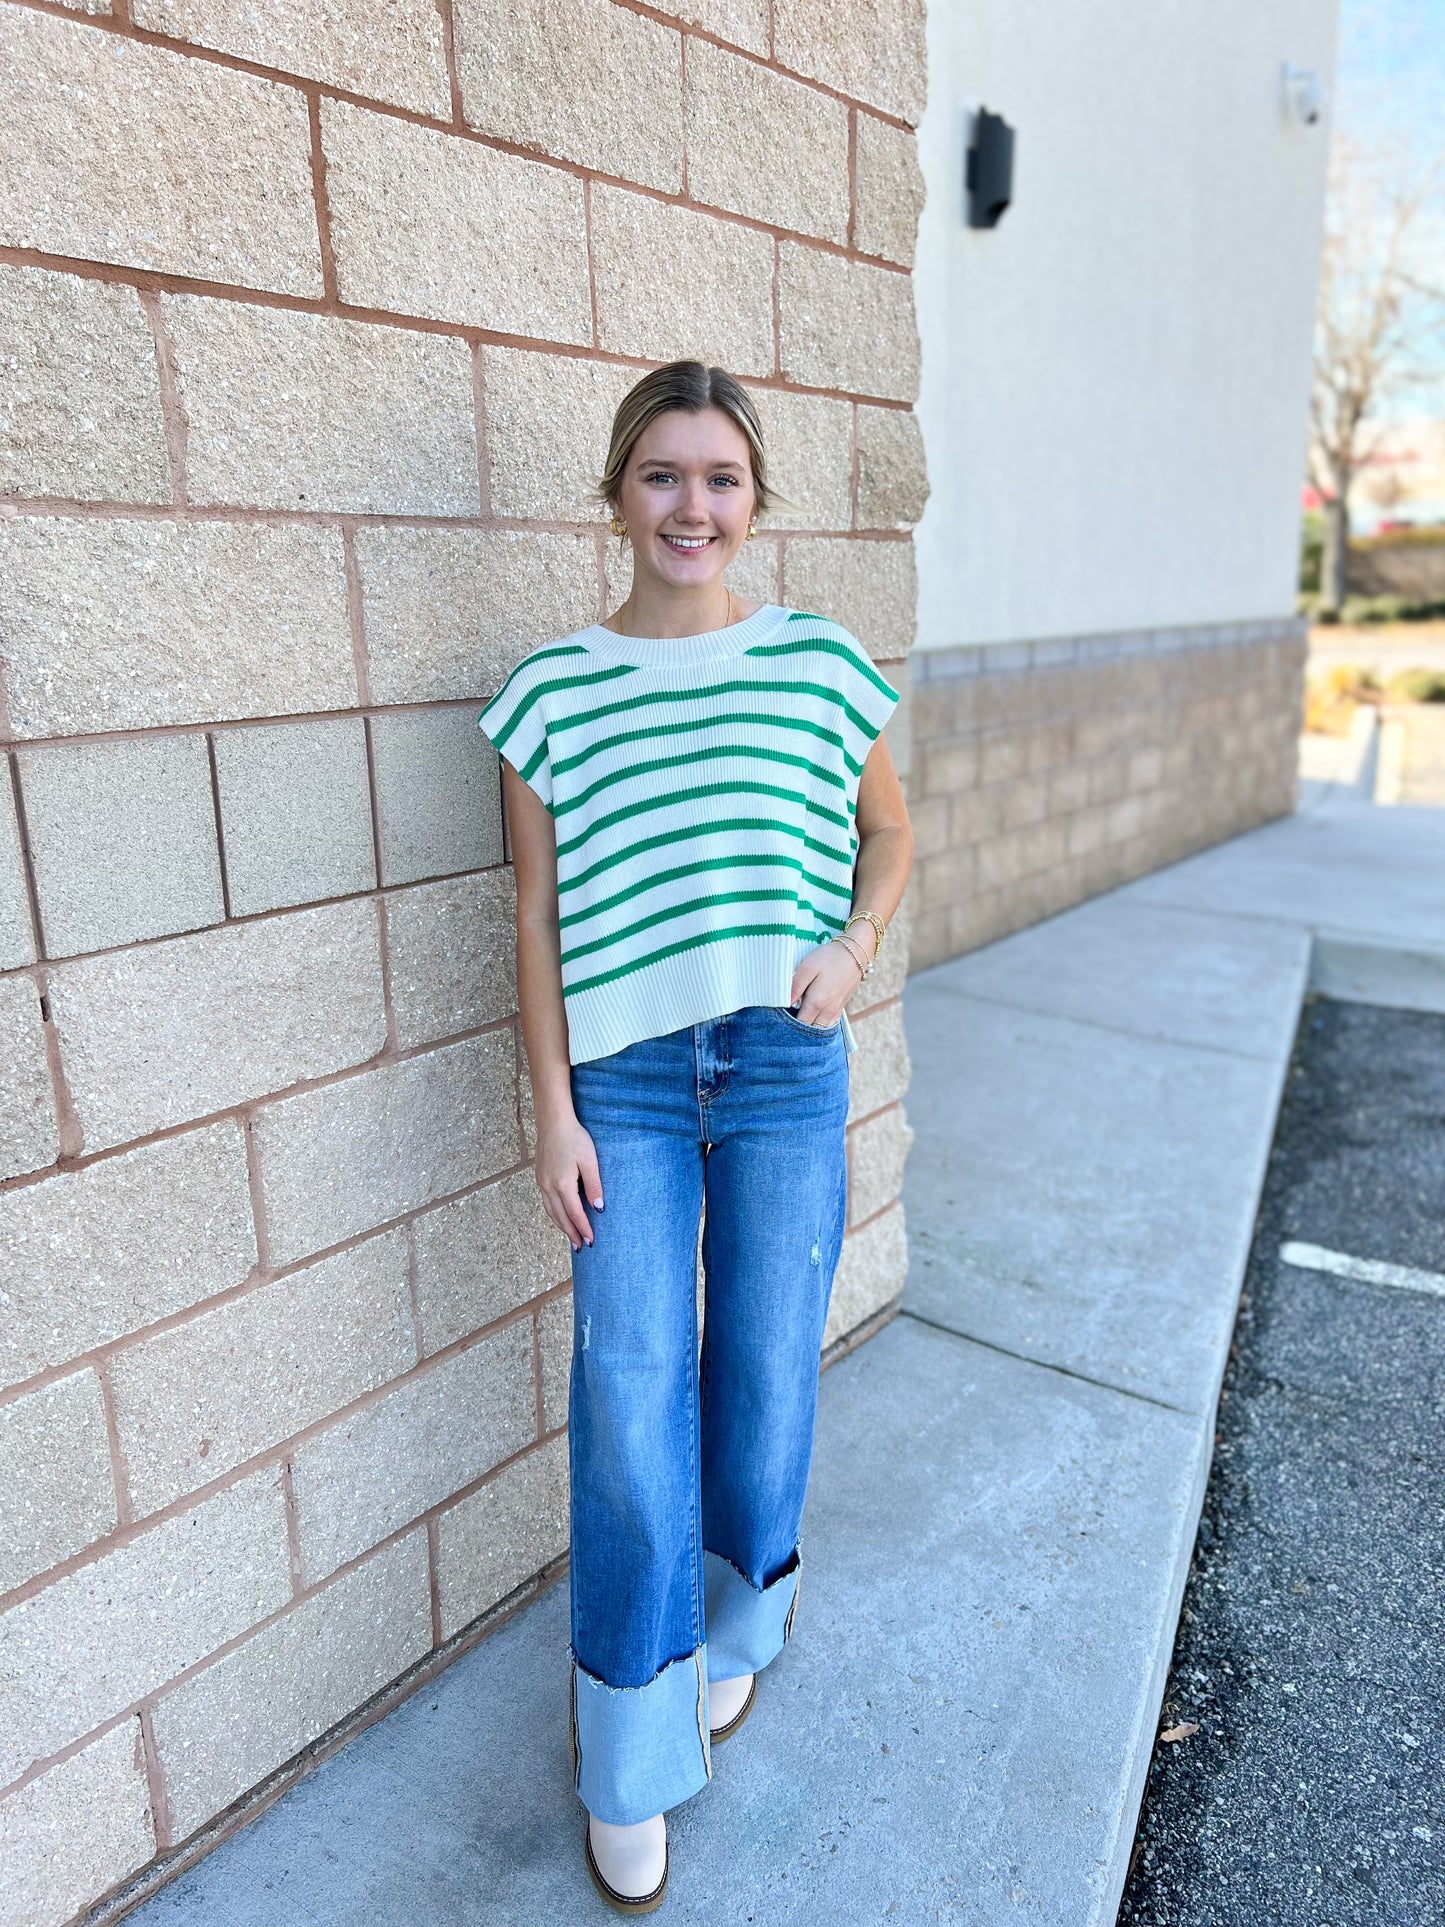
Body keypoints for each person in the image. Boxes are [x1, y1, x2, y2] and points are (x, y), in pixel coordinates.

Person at [477, 359, 914, 1913]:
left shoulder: (816, 662)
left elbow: (890, 828)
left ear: (753, 499)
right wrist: (552, 1110)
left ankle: (738, 1627)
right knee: (630, 1395)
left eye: (719, 478)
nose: (691, 506)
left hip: (786, 1063)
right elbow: (530, 915)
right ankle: (630, 1751)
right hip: (630, 1088)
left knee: (764, 1368)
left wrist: (851, 954)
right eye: (662, 476)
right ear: (616, 493)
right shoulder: (548, 692)